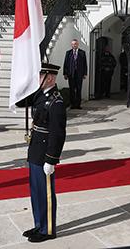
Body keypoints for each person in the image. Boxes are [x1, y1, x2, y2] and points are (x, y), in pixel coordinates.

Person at [17, 63, 66, 243]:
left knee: (46, 193)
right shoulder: (39, 94)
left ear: (50, 78)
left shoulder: (56, 101)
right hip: (35, 149)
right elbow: (20, 101)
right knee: (36, 191)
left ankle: (48, 229)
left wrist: (51, 160)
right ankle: (39, 224)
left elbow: (58, 133)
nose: (37, 79)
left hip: (45, 152)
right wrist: (22, 83)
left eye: (40, 76)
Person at [63, 39, 87, 109]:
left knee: (79, 89)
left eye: (75, 44)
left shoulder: (82, 53)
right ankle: (72, 104)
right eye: (73, 44)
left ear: (78, 44)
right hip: (71, 74)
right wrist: (65, 73)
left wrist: (85, 73)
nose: (74, 45)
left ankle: (78, 105)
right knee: (72, 90)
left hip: (79, 74)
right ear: (71, 45)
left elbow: (85, 64)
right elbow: (65, 64)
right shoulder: (68, 53)